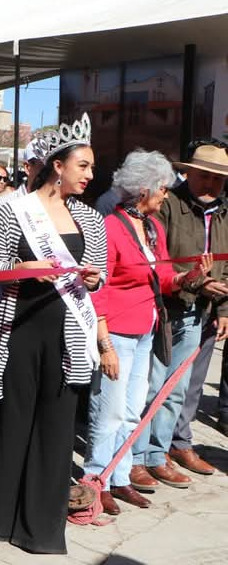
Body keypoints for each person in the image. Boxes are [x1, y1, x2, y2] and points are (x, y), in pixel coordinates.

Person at [0, 117, 106, 555]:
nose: (90, 175)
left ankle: (42, 528)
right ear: (58, 166)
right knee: (14, 423)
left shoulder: (91, 218)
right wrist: (26, 270)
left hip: (68, 333)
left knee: (55, 431)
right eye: (84, 166)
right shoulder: (16, 210)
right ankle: (2, 518)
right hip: (21, 329)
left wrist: (92, 280)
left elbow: (100, 275)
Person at [85, 150, 210, 515]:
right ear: (143, 190)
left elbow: (164, 277)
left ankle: (120, 476)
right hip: (118, 332)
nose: (166, 195)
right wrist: (104, 343)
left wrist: (189, 278)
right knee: (108, 412)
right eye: (162, 189)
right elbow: (100, 288)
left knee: (132, 410)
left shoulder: (153, 228)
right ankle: (97, 479)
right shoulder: (110, 226)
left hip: (146, 330)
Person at [131, 143, 228, 488]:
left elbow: (225, 264)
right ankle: (137, 457)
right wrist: (197, 281)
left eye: (219, 179)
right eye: (206, 176)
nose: (212, 184)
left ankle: (159, 454)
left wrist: (222, 307)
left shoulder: (223, 212)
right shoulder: (168, 205)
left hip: (199, 311)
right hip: (166, 308)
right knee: (152, 386)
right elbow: (156, 258)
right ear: (189, 173)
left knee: (177, 389)